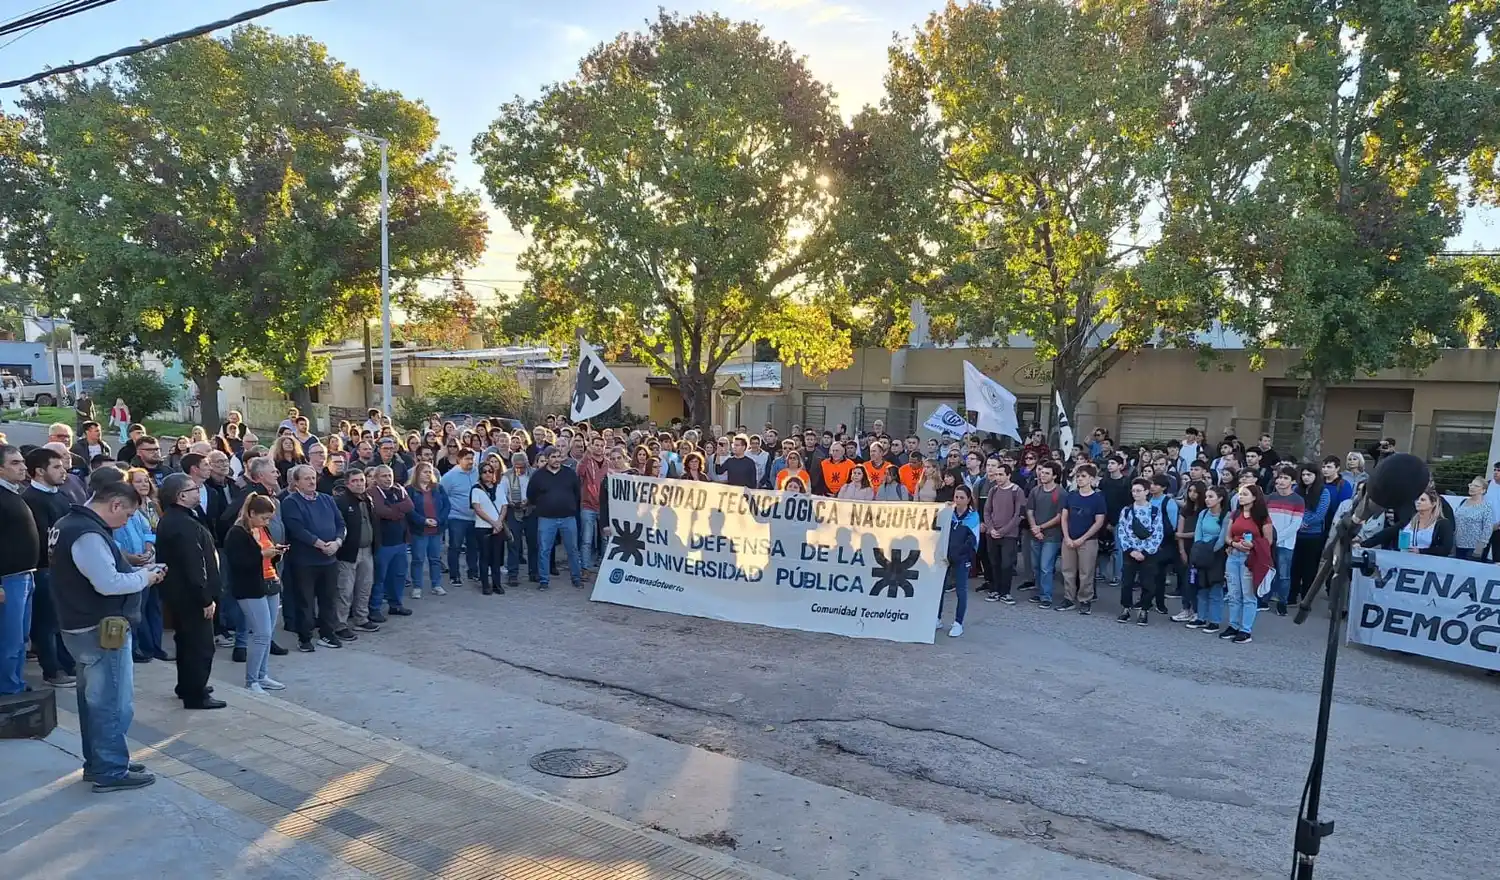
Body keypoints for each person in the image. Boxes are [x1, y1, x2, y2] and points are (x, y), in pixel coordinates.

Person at [51, 477, 165, 791]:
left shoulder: (69, 525)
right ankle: (110, 769)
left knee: (95, 700)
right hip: (99, 628)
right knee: (111, 702)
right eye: (127, 515)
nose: (126, 522)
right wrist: (146, 577)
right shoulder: (87, 533)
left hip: (81, 624)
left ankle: (103, 760)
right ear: (115, 504)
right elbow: (108, 583)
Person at [155, 474, 225, 709]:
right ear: (181, 496)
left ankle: (187, 685)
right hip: (190, 596)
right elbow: (193, 564)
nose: (198, 491)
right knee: (200, 645)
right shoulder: (182, 523)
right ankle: (196, 694)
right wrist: (205, 598)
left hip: (181, 594)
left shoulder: (178, 518)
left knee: (186, 641)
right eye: (193, 489)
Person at [22, 446, 79, 687]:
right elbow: (44, 537)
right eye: (56, 467)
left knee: (62, 620)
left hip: (66, 568)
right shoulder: (31, 499)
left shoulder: (61, 495)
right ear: (39, 471)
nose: (63, 470)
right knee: (46, 622)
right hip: (45, 569)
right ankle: (52, 669)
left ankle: (68, 663)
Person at [223, 493, 286, 693]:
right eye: (263, 518)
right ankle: (252, 681)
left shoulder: (262, 529)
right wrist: (262, 554)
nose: (266, 522)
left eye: (269, 519)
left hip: (270, 582)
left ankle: (262, 675)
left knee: (268, 633)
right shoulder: (237, 533)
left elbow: (267, 555)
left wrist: (276, 553)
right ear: (251, 513)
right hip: (250, 588)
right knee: (261, 633)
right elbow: (238, 562)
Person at [280, 464, 347, 651]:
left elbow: (341, 523)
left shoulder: (327, 499)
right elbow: (297, 529)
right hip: (304, 562)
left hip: (329, 559)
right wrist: (319, 544)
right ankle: (305, 638)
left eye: (313, 477)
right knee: (305, 601)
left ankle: (327, 634)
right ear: (296, 482)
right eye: (306, 478)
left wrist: (337, 543)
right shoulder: (291, 502)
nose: (311, 481)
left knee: (328, 600)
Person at [1, 444, 39, 696]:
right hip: (8, 579)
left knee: (21, 637)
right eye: (15, 463)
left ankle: (15, 682)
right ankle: (7, 688)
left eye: (22, 461)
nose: (23, 467)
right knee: (9, 638)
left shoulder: (14, 493)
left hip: (25, 575)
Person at [1222, 484, 1274, 644]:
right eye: (1240, 494)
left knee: (1248, 594)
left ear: (1254, 497)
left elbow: (1268, 540)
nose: (1241, 497)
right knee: (1233, 593)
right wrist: (1234, 544)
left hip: (1250, 557)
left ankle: (1245, 629)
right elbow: (1227, 536)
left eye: (1245, 494)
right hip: (1233, 555)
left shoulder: (1262, 517)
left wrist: (1253, 545)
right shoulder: (1235, 513)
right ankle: (1233, 625)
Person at [331, 469, 380, 639]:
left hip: (367, 551)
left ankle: (361, 618)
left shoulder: (367, 499)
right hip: (348, 553)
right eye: (355, 481)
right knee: (345, 590)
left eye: (361, 480)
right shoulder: (341, 502)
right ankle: (340, 624)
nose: (359, 484)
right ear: (347, 483)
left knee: (365, 587)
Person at [528, 447, 582, 590]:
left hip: (568, 518)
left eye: (558, 456)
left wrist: (570, 505)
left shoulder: (569, 473)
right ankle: (544, 580)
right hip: (546, 518)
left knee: (572, 549)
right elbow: (531, 495)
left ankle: (576, 578)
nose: (557, 460)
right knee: (544, 550)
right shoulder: (538, 475)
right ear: (547, 459)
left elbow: (577, 493)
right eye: (553, 457)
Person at [1058, 463, 1106, 614]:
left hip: (1088, 541)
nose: (1079, 479)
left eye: (1083, 476)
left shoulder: (1098, 498)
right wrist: (1066, 537)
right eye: (1078, 476)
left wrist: (1082, 538)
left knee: (1086, 572)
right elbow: (1064, 518)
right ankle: (1069, 598)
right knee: (1068, 570)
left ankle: (1085, 599)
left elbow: (1099, 522)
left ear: (1091, 479)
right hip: (1069, 539)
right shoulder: (1071, 496)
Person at [1116, 478, 1162, 625]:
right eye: (1133, 491)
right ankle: (1126, 608)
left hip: (1148, 553)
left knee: (1148, 583)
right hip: (1130, 551)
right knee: (1127, 582)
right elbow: (1122, 530)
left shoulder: (1154, 511)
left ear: (1146, 492)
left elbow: (1158, 533)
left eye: (1139, 491)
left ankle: (1144, 609)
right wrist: (1130, 550)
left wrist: (1145, 552)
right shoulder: (1126, 510)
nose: (1135, 493)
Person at [369, 464, 414, 615]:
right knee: (380, 578)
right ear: (376, 478)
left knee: (399, 575)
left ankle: (396, 604)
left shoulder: (398, 489)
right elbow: (381, 511)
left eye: (390, 475)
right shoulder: (372, 492)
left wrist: (393, 509)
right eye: (384, 476)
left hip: (401, 541)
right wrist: (399, 511)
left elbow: (410, 505)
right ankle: (374, 608)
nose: (388, 479)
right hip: (383, 543)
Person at [1187, 485, 1230, 633]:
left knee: (1215, 589)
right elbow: (1198, 533)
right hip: (1201, 552)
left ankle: (1214, 621)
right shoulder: (1203, 513)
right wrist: (1199, 548)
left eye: (1211, 497)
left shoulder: (1226, 516)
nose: (1207, 500)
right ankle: (1201, 617)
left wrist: (1210, 551)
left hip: (1216, 554)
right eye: (1206, 497)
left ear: (1220, 499)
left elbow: (1222, 538)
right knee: (1201, 587)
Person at [938, 485, 980, 638]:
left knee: (961, 591)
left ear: (968, 499)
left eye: (962, 497)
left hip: (962, 559)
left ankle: (958, 623)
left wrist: (961, 554)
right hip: (945, 557)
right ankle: (937, 618)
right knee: (940, 589)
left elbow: (973, 541)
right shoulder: (949, 513)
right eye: (956, 497)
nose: (958, 500)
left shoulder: (973, 517)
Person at [983, 462, 1026, 605]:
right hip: (992, 533)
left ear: (1008, 475)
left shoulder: (1017, 491)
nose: (998, 477)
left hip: (1009, 535)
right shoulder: (993, 490)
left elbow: (1018, 515)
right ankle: (994, 590)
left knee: (1006, 564)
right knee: (994, 563)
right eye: (996, 475)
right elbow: (987, 511)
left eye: (1001, 474)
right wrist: (991, 528)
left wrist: (1002, 531)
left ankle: (1005, 592)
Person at [1264, 467, 1304, 617]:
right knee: (1267, 572)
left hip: (1285, 543)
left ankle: (1282, 603)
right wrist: (1268, 538)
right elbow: (1265, 520)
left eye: (1285, 478)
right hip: (1268, 541)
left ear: (1293, 481)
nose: (1281, 481)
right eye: (1280, 477)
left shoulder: (1298, 500)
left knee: (1284, 575)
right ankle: (1264, 599)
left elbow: (1295, 525)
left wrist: (1277, 538)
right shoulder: (1270, 498)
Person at [1289, 463, 1331, 605]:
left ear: (1316, 476)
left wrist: (1304, 522)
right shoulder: (1296, 490)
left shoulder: (1324, 492)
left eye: (1309, 475)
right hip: (1296, 534)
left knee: (1310, 568)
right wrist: (1298, 523)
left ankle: (1306, 598)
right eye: (1303, 475)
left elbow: (1320, 514)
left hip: (1313, 536)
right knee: (1294, 567)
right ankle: (1292, 595)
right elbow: (1292, 508)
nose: (1305, 477)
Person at [406, 461, 448, 597]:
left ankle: (436, 585)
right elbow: (409, 510)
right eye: (425, 472)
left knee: (435, 559)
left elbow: (446, 506)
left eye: (430, 472)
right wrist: (423, 520)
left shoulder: (438, 488)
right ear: (418, 473)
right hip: (419, 530)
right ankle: (417, 586)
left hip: (436, 530)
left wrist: (439, 520)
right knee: (418, 559)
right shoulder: (410, 490)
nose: (428, 474)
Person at [438, 449, 480, 588]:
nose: (470, 462)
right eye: (467, 459)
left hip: (475, 516)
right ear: (459, 460)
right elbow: (442, 495)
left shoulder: (477, 473)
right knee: (455, 546)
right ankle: (454, 575)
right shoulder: (449, 477)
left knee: (473, 546)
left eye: (472, 459)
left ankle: (473, 572)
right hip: (456, 517)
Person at [1026, 461, 1065, 609]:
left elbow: (1060, 516)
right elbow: (1030, 511)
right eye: (1042, 472)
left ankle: (1046, 596)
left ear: (1054, 476)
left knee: (1045, 567)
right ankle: (1039, 591)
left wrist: (1040, 527)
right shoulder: (1035, 491)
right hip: (1035, 534)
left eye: (1047, 473)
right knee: (1036, 565)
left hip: (1052, 536)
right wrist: (1034, 528)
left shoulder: (1061, 493)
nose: (1042, 475)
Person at [498, 452, 537, 588]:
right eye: (517, 467)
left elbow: (539, 491)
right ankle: (513, 574)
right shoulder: (506, 476)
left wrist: (530, 500)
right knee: (513, 543)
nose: (519, 470)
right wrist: (510, 502)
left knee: (533, 543)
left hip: (531, 511)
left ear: (527, 464)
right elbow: (502, 494)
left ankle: (534, 572)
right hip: (513, 511)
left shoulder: (534, 474)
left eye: (522, 467)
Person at [470, 461, 505, 595]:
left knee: (496, 557)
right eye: (484, 472)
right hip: (483, 527)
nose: (488, 474)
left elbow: (504, 506)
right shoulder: (476, 489)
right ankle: (485, 584)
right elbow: (477, 508)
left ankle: (497, 584)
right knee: (485, 556)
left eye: (490, 471)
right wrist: (493, 522)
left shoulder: (499, 487)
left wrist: (499, 522)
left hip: (498, 527)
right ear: (480, 474)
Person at [1400, 489, 1454, 557]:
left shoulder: (1443, 523)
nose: (1418, 502)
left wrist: (1421, 551)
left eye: (1422, 500)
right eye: (1417, 499)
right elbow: (1396, 536)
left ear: (1433, 503)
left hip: (1428, 561)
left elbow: (1446, 549)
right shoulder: (1409, 520)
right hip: (1404, 559)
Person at [1455, 477, 1493, 561]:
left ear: (1483, 490)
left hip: (1473, 548)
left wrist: (1479, 548)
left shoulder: (1486, 507)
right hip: (1458, 545)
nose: (1472, 487)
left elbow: (1487, 529)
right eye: (1471, 485)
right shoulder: (1463, 502)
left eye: (1476, 486)